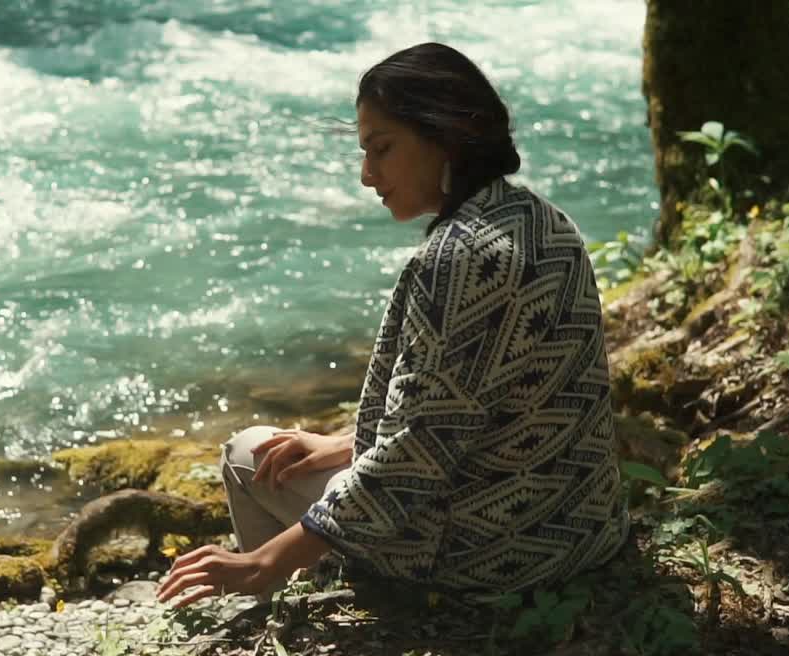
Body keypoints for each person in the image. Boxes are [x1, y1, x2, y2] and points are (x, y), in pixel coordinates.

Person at [156, 42, 629, 608]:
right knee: (294, 452)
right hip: (583, 529)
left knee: (247, 454)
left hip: (487, 560)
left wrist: (264, 559)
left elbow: (410, 466)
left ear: (446, 134)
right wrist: (342, 444)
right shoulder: (545, 221)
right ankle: (320, 576)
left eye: (382, 149)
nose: (366, 175)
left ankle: (283, 600)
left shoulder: (455, 261)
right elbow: (477, 409)